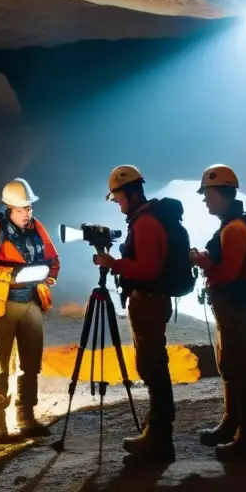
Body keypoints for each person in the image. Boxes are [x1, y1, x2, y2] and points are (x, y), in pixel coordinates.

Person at [92, 165, 176, 464]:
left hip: (150, 301)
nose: (117, 205)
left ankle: (160, 441)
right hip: (149, 300)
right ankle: (156, 433)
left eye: (118, 199)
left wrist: (114, 264)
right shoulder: (143, 219)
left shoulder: (146, 223)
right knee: (151, 366)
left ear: (129, 193)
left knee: (153, 368)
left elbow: (149, 268)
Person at [190, 164, 246, 461]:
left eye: (207, 194)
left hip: (235, 307)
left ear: (220, 193)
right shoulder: (229, 224)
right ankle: (231, 423)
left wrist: (202, 262)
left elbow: (229, 275)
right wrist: (207, 260)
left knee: (241, 369)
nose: (205, 200)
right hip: (229, 307)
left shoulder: (234, 229)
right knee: (228, 366)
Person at [0, 178, 60, 442]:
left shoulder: (37, 228)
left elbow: (53, 259)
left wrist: (47, 275)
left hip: (32, 301)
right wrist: (13, 274)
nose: (28, 213)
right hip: (4, 304)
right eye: (23, 209)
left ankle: (26, 417)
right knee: (0, 364)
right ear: (9, 208)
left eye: (29, 208)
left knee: (31, 363)